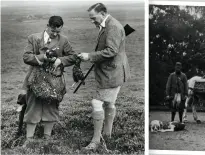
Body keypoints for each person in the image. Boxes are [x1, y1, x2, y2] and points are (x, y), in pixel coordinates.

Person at [77, 3, 130, 150]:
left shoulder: (112, 26)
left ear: (103, 13)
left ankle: (96, 141)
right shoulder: (108, 24)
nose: (92, 21)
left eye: (93, 18)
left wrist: (89, 56)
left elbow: (111, 51)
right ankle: (107, 135)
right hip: (114, 71)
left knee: (96, 103)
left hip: (111, 73)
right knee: (109, 103)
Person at [22, 16, 76, 146]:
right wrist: (43, 57)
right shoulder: (34, 38)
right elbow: (26, 57)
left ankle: (47, 138)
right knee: (32, 106)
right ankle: (29, 140)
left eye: (58, 31)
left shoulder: (64, 40)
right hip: (35, 78)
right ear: (47, 25)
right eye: (53, 30)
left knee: (51, 107)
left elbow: (73, 56)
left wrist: (60, 60)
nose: (55, 34)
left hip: (54, 80)